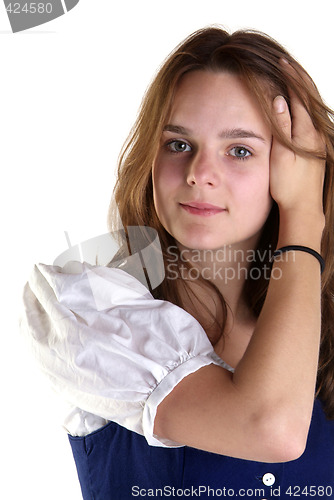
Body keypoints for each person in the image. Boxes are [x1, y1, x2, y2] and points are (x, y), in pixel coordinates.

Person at [21, 26, 334, 499]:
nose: (198, 175)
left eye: (240, 150)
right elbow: (272, 428)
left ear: (295, 169)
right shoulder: (87, 310)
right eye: (179, 144)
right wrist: (304, 218)